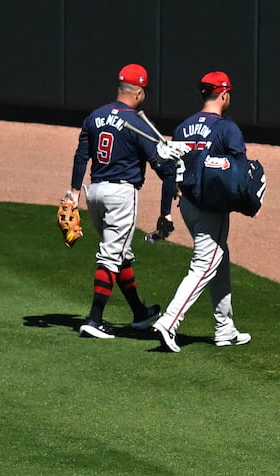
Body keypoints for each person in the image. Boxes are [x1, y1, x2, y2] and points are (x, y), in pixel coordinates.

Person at [66, 64, 182, 339]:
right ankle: (94, 320)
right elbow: (160, 167)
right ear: (139, 93)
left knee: (120, 254)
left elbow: (81, 156)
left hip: (94, 193)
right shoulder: (136, 123)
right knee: (111, 256)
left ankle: (139, 313)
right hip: (121, 195)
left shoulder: (94, 117)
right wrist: (168, 200)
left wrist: (73, 192)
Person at [152, 71, 252, 351]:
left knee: (219, 258)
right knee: (204, 265)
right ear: (224, 94)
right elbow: (240, 171)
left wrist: (167, 209)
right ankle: (169, 322)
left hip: (187, 205)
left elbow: (171, 170)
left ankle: (225, 328)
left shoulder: (184, 127)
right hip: (211, 208)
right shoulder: (226, 128)